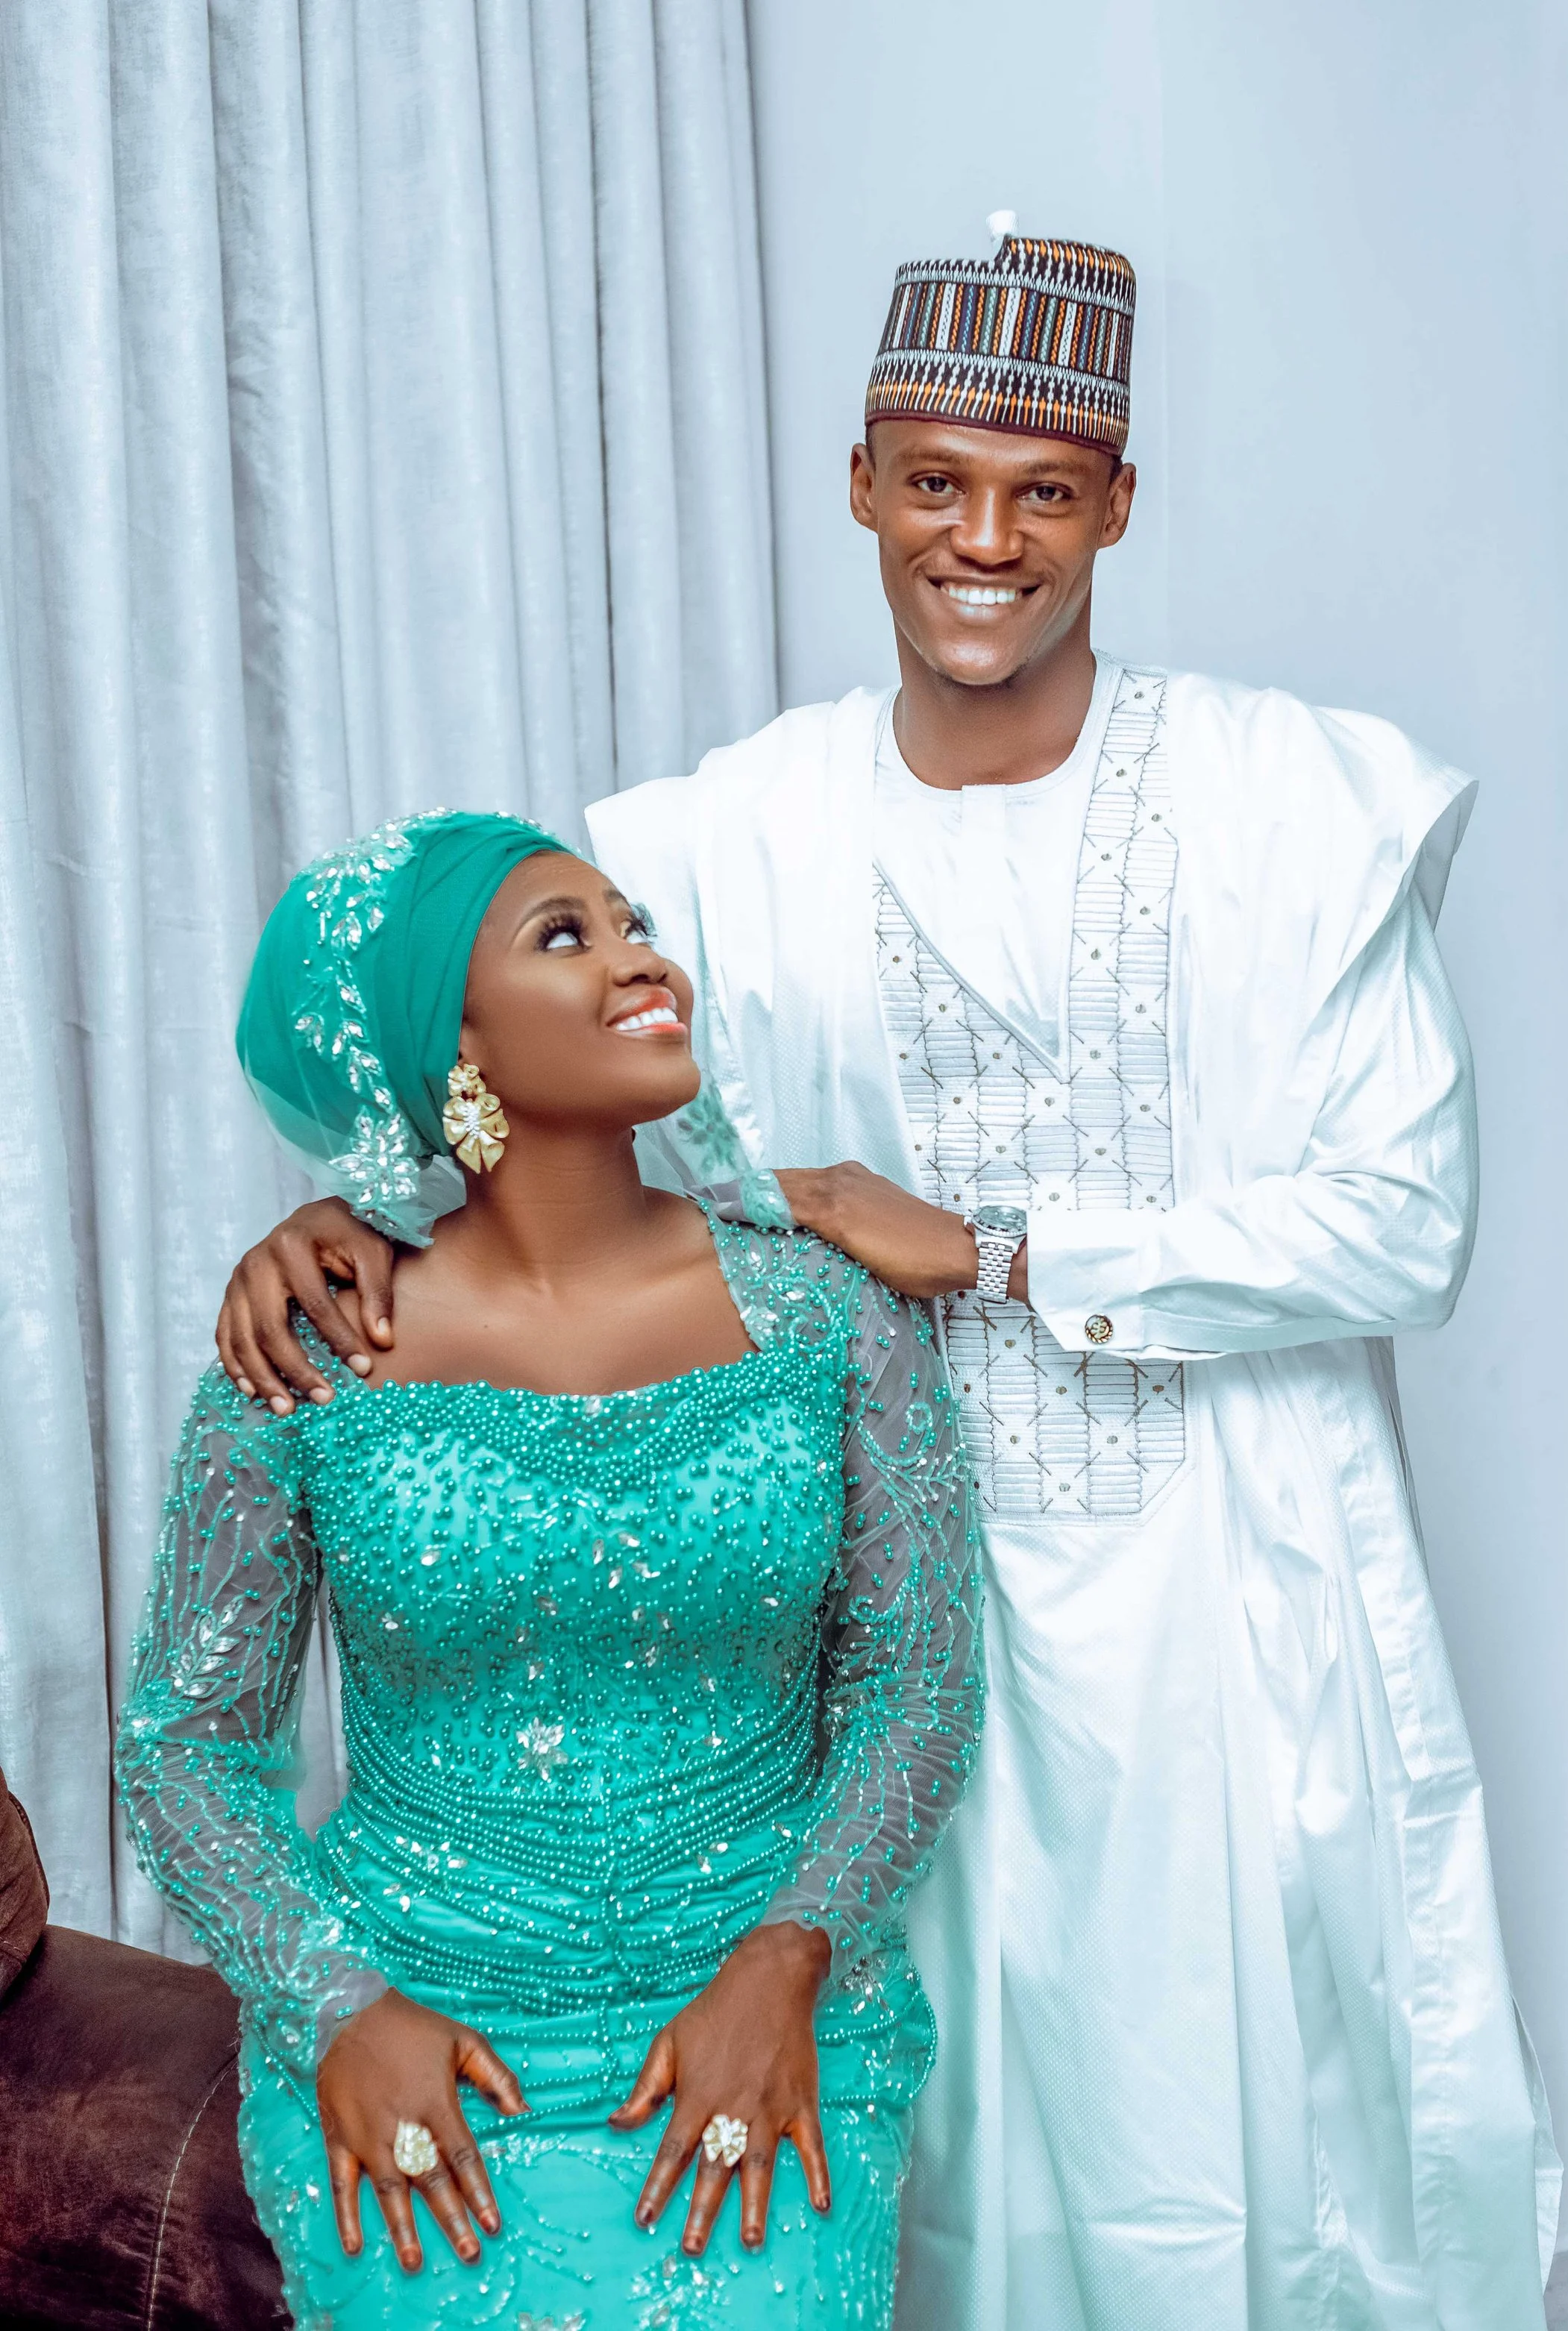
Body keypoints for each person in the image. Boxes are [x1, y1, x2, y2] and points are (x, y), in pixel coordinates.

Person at [216, 230, 1561, 2329]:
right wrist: (346, 1224)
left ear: (1121, 502)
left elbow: (1408, 1216)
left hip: (1223, 1587)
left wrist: (1025, 1254)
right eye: (934, 480)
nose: (984, 537)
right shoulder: (723, 833)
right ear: (857, 485)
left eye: (1042, 487)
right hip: (820, 1616)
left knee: (1230, 2129)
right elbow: (519, 1098)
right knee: (899, 2154)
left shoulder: (1293, 798)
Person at [119, 811, 981, 2330]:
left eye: (634, 919)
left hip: (772, 2028)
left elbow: (915, 1673)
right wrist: (336, 2012)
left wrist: (788, 1957)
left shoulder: (823, 1308)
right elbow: (184, 1740)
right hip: (419, 2051)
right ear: (445, 1040)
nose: (642, 953)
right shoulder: (309, 1349)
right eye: (565, 934)